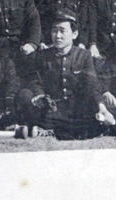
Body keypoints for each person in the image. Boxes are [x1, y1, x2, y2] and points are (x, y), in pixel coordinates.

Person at [17, 8, 110, 140]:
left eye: (62, 31)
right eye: (54, 30)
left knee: (99, 114)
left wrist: (101, 107)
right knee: (25, 95)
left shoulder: (84, 55)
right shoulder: (41, 56)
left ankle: (50, 130)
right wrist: (40, 96)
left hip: (74, 110)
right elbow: (35, 81)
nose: (57, 36)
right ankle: (59, 129)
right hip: (50, 110)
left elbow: (92, 85)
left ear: (74, 34)